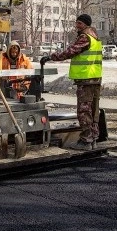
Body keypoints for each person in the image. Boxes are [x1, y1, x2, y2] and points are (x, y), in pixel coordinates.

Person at [41, 14, 102, 151]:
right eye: (76, 23)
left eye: (79, 23)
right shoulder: (95, 37)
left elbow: (70, 52)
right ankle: (93, 139)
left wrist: (51, 57)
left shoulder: (85, 37)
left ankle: (86, 140)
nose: (76, 26)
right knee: (93, 110)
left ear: (86, 24)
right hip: (95, 78)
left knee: (84, 110)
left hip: (86, 79)